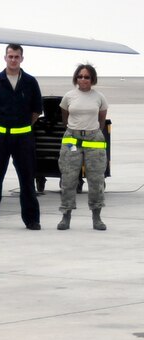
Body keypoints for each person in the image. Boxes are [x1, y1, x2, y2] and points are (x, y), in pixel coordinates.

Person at [0, 43, 43, 230]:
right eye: (10, 56)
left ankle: (32, 220)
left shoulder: (30, 82)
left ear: (22, 59)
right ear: (5, 58)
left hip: (23, 139)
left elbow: (36, 111)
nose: (13, 60)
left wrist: (22, 126)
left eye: (17, 56)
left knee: (27, 180)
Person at [56, 63, 109, 231]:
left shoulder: (99, 97)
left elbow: (102, 119)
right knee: (69, 178)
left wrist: (91, 131)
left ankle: (96, 216)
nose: (83, 79)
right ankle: (66, 216)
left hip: (93, 139)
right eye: (80, 76)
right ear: (75, 78)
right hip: (72, 140)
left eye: (86, 77)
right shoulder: (69, 96)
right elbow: (65, 117)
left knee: (96, 179)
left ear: (92, 79)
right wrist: (74, 130)